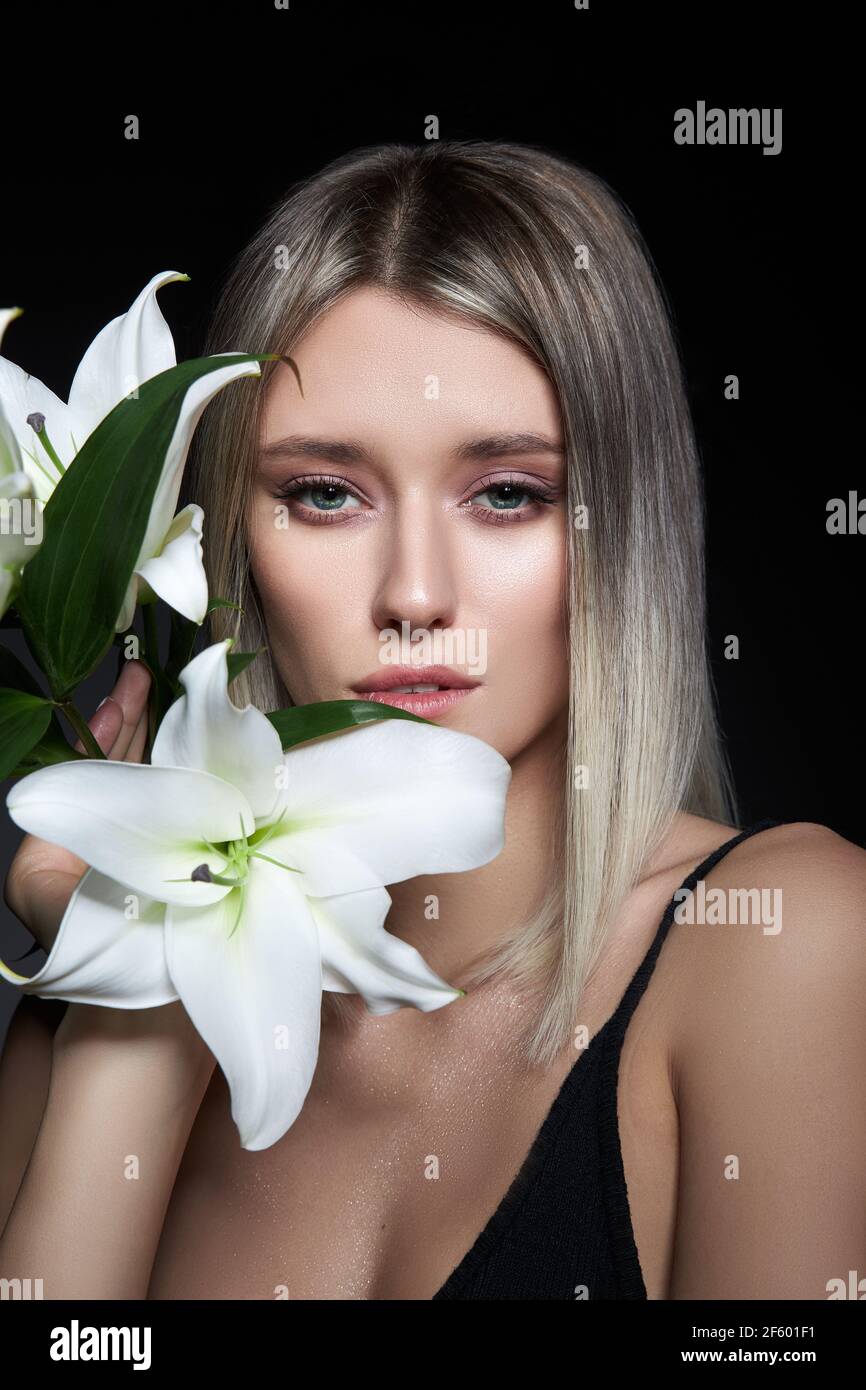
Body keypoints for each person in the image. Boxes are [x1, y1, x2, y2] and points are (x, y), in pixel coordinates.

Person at [1, 141, 864, 1301]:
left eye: (507, 494)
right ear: (227, 534)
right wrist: (137, 1019)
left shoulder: (787, 942)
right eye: (325, 494)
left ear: (620, 525)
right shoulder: (86, 1011)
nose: (413, 594)